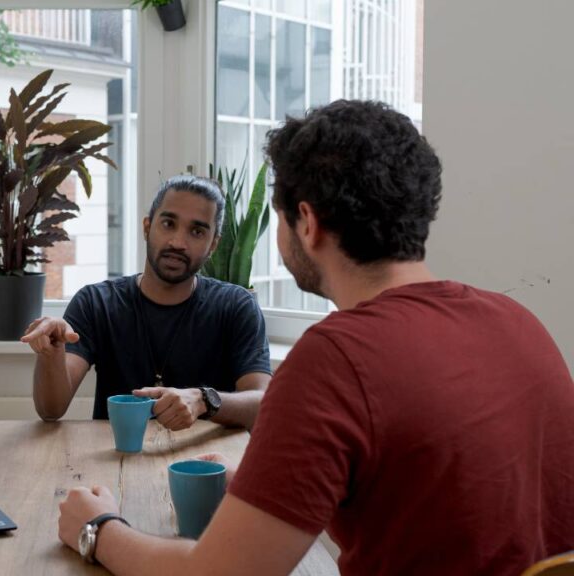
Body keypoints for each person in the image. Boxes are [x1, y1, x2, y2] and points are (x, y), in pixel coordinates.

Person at [56, 100, 574, 575]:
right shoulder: (519, 322)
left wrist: (98, 528)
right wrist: (278, 491)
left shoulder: (336, 358)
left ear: (306, 223)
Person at [22, 175, 272, 431]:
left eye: (197, 231)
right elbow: (50, 410)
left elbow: (264, 405)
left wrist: (204, 400)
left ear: (213, 246)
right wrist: (51, 355)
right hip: (117, 462)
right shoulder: (96, 303)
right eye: (168, 223)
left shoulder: (236, 306)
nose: (178, 242)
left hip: (203, 466)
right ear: (147, 227)